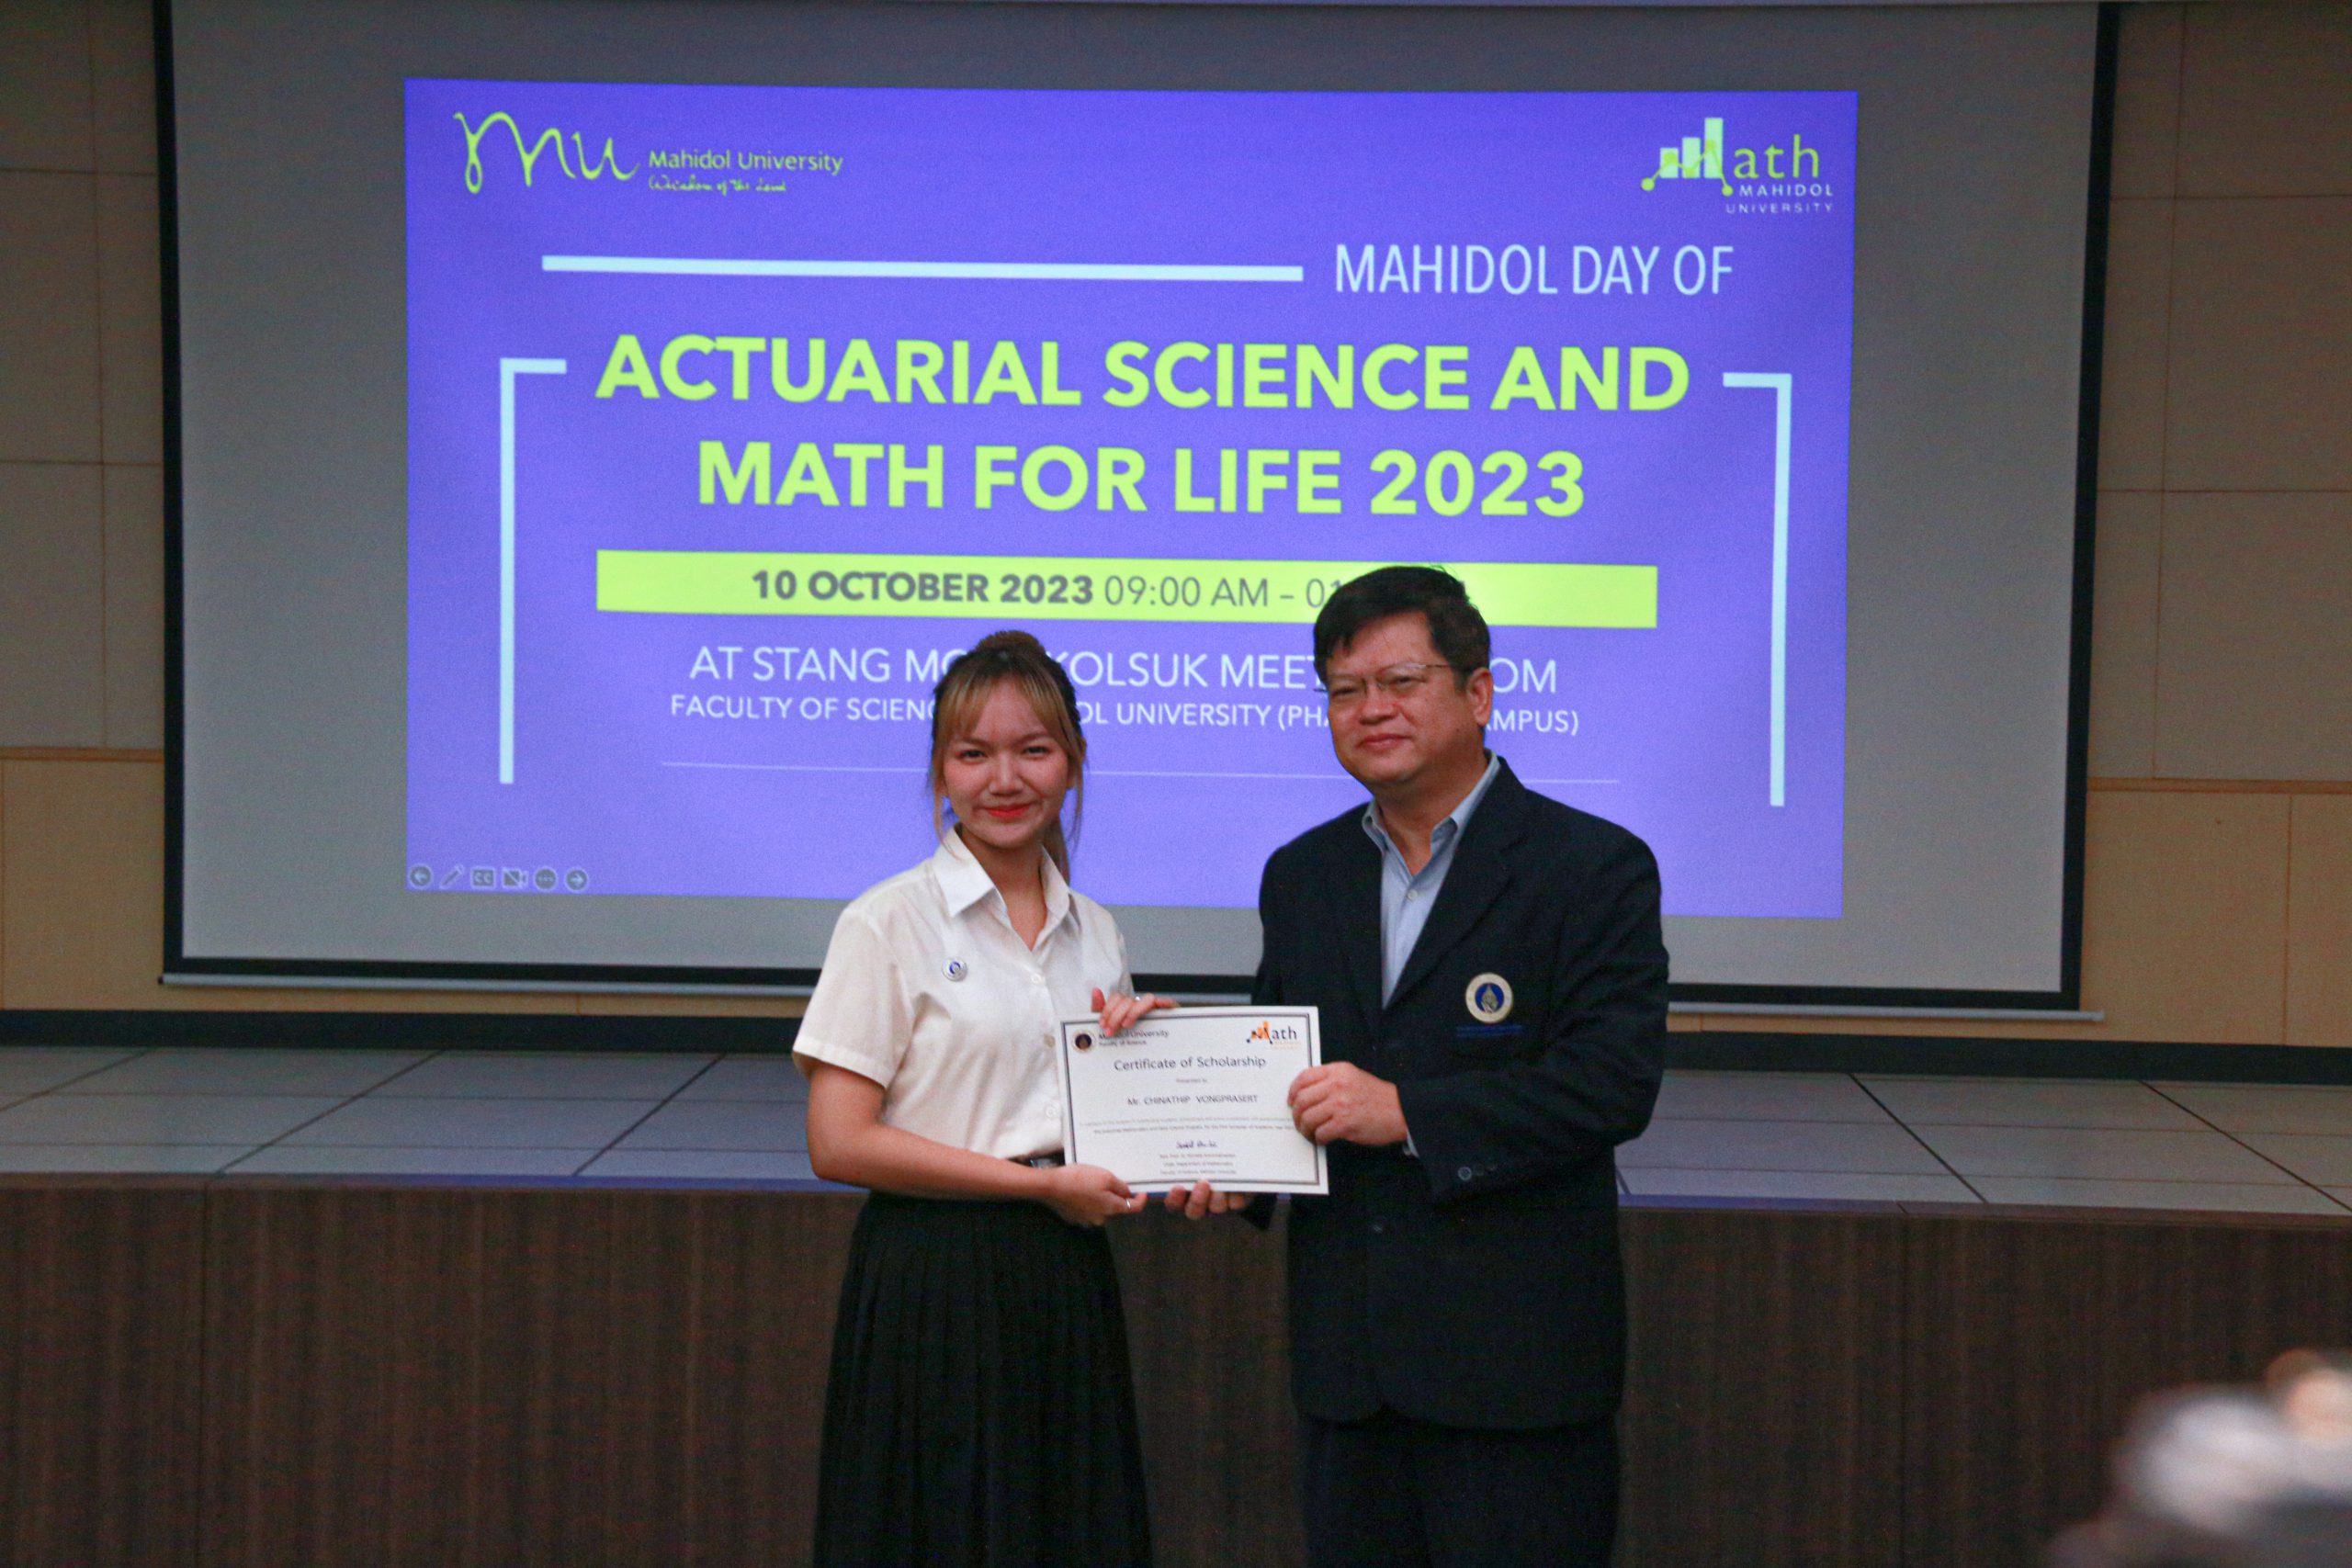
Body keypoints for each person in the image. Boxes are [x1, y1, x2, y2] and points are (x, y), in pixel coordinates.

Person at [1247, 565, 1669, 1568]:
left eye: (1401, 682)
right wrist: (1222, 1165)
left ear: (1478, 693)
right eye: (1345, 690)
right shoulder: (1302, 875)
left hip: (1515, 1376)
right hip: (1351, 1379)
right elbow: (1282, 1071)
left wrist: (1409, 1114)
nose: (1371, 710)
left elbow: (1610, 1084)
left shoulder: (1591, 867)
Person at [794, 629, 1173, 1568]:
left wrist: (1152, 1066)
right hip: (933, 1278)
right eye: (973, 754)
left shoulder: (1097, 931)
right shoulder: (886, 921)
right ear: (940, 771)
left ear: (1072, 763)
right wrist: (1037, 1185)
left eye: (1033, 750)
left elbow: (1100, 1128)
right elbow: (838, 1143)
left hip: (1065, 1274)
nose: (1004, 779)